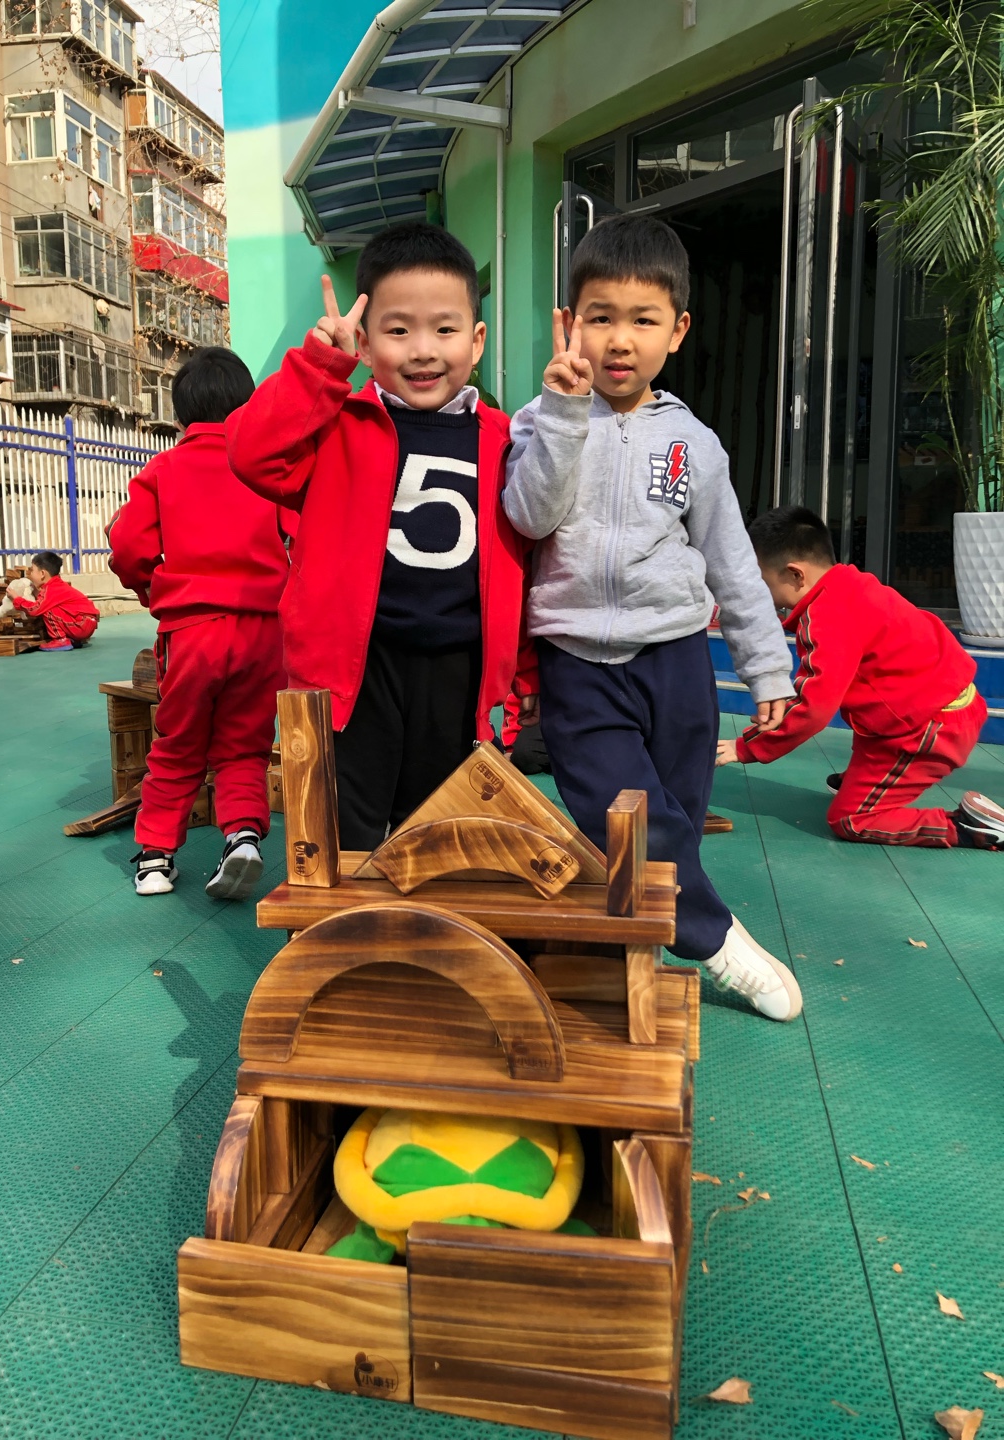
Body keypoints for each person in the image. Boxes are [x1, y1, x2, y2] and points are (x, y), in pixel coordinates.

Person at [502, 213, 802, 1022]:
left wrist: (767, 667)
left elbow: (730, 559)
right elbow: (529, 516)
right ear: (570, 322)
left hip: (676, 659)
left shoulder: (694, 442)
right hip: (576, 660)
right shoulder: (539, 419)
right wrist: (563, 413)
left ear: (678, 330)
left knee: (677, 822)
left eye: (643, 320)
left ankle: (634, 946)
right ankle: (716, 939)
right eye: (600, 318)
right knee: (624, 815)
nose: (619, 340)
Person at [226, 222, 534, 850]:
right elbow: (253, 455)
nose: (422, 350)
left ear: (477, 341)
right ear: (364, 344)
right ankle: (339, 912)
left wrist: (524, 674)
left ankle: (421, 913)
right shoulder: (337, 425)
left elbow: (530, 551)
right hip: (355, 671)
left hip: (460, 669)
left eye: (444, 330)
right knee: (343, 832)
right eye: (398, 331)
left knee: (437, 837)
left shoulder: (505, 440)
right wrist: (321, 366)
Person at [109, 346, 289, 899]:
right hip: (264, 629)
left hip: (192, 628)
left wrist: (150, 589)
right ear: (247, 407)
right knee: (244, 745)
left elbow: (128, 547)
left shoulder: (162, 470)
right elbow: (302, 534)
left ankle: (155, 858)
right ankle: (242, 837)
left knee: (179, 741)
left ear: (181, 411)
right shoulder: (266, 468)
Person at [716, 505, 1004, 850]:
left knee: (850, 819)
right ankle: (864, 780)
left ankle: (968, 827)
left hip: (928, 730)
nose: (758, 591)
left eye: (762, 581)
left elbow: (814, 708)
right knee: (857, 764)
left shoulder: (825, 617)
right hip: (932, 707)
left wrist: (747, 747)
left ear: (795, 575)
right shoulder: (851, 585)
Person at [11, 552, 100, 651]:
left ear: (42, 573)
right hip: (87, 624)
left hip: (80, 626)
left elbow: (34, 609)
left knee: (46, 609)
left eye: (32, 570)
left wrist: (16, 599)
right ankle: (73, 639)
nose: (30, 574)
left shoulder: (50, 589)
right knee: (49, 606)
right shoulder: (58, 585)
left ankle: (60, 640)